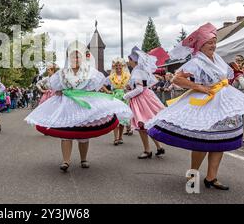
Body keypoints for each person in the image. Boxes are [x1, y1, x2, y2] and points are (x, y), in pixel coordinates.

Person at [147, 23, 244, 190]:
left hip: (222, 101)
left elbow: (225, 76)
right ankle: (193, 174)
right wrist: (200, 87)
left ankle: (211, 177)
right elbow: (177, 79)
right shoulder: (197, 61)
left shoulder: (217, 58)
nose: (213, 45)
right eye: (210, 42)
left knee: (219, 140)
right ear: (201, 45)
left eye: (214, 41)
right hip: (205, 102)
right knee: (202, 140)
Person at [25, 41, 133, 172]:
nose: (75, 59)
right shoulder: (62, 74)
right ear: (68, 58)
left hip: (82, 106)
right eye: (72, 56)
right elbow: (56, 90)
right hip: (66, 106)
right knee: (66, 134)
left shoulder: (89, 73)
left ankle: (83, 159)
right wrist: (62, 92)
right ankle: (66, 161)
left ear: (82, 58)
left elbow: (93, 88)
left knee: (83, 135)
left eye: (77, 56)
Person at [124, 46, 165, 159]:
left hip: (141, 100)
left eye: (129, 60)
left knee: (142, 126)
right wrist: (130, 86)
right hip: (147, 96)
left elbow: (139, 89)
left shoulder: (137, 70)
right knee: (148, 124)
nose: (129, 62)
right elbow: (141, 85)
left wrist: (126, 95)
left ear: (133, 60)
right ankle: (159, 146)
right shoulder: (141, 70)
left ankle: (147, 150)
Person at [103, 58, 131, 145]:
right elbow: (102, 84)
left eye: (120, 66)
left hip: (123, 97)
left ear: (123, 66)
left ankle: (120, 137)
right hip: (115, 97)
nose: (118, 67)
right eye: (116, 66)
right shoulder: (111, 77)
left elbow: (131, 86)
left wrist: (128, 89)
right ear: (114, 67)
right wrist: (108, 91)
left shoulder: (127, 76)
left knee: (122, 118)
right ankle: (115, 138)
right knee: (115, 118)